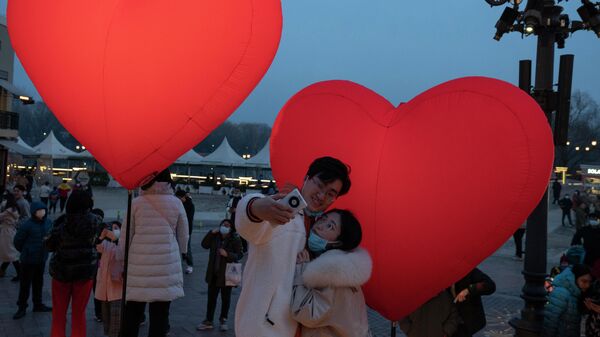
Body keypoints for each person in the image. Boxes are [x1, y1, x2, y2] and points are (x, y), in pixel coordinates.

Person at [234, 156, 351, 337]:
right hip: (263, 329)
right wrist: (256, 207)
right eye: (319, 185)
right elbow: (251, 223)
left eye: (331, 193)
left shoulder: (321, 227)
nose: (322, 196)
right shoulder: (281, 209)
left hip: (301, 328)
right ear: (306, 178)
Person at [119, 169, 189, 337]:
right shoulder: (176, 203)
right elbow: (183, 234)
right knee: (160, 315)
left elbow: (126, 234)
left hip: (138, 264)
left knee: (133, 312)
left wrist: (121, 258)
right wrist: (182, 252)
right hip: (165, 263)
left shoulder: (137, 203)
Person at [291, 209, 372, 337]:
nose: (320, 226)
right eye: (323, 219)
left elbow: (306, 313)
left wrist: (301, 270)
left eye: (330, 226)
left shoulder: (331, 273)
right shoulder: (347, 270)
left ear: (338, 242)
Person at [45, 190, 102, 337]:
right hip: (84, 274)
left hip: (61, 272)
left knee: (58, 314)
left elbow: (49, 245)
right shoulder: (95, 222)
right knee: (79, 314)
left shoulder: (62, 222)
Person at [196, 219, 243, 331]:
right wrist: (211, 232)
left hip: (228, 274)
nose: (224, 227)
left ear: (231, 228)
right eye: (223, 225)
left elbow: (240, 254)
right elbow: (204, 245)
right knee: (211, 298)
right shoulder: (215, 237)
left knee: (226, 299)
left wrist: (228, 254)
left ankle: (223, 320)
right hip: (214, 273)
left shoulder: (235, 239)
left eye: (227, 225)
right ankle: (209, 320)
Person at [12, 201, 53, 319]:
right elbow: (17, 241)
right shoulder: (27, 225)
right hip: (28, 260)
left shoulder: (48, 223)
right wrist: (26, 250)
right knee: (25, 284)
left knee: (38, 283)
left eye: (43, 210)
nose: (41, 212)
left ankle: (38, 304)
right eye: (39, 210)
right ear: (33, 212)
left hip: (41, 258)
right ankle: (22, 307)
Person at [542, 263, 593, 337]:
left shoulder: (577, 293)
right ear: (574, 278)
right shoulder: (561, 294)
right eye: (584, 281)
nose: (587, 285)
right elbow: (550, 322)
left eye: (589, 282)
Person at [95, 221, 123, 337]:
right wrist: (101, 235)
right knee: (106, 318)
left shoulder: (122, 244)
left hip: (117, 289)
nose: (113, 230)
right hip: (104, 289)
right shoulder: (105, 244)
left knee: (116, 319)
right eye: (112, 228)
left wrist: (116, 238)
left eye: (116, 228)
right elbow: (96, 246)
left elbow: (121, 254)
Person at [450, 268, 496, 337]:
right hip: (451, 320)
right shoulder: (442, 274)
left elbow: (490, 285)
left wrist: (469, 290)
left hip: (467, 320)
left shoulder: (469, 272)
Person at [0, 193, 22, 282]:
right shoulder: (14, 209)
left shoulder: (8, 210)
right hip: (11, 231)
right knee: (8, 252)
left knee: (10, 253)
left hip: (7, 233)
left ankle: (20, 274)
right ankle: (1, 271)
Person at [175, 189, 195, 274]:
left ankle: (190, 264)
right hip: (175, 228)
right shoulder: (176, 203)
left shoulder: (190, 205)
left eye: (179, 198)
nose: (178, 199)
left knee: (187, 247)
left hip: (187, 229)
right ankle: (179, 262)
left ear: (183, 197)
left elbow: (189, 218)